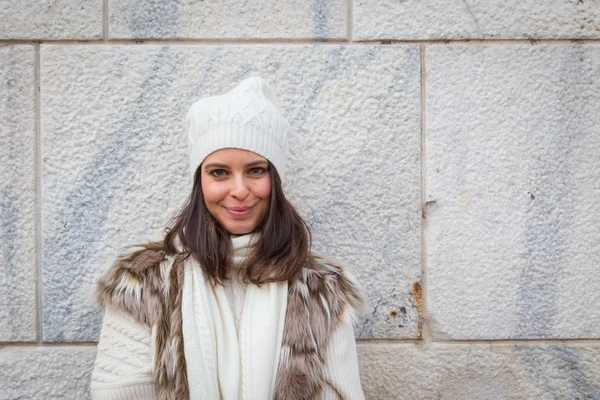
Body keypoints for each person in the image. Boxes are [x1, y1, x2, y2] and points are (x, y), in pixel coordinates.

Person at [90, 76, 366, 400]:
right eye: (219, 172)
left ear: (275, 181)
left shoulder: (321, 291)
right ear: (200, 182)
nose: (239, 190)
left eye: (255, 170)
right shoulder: (143, 283)